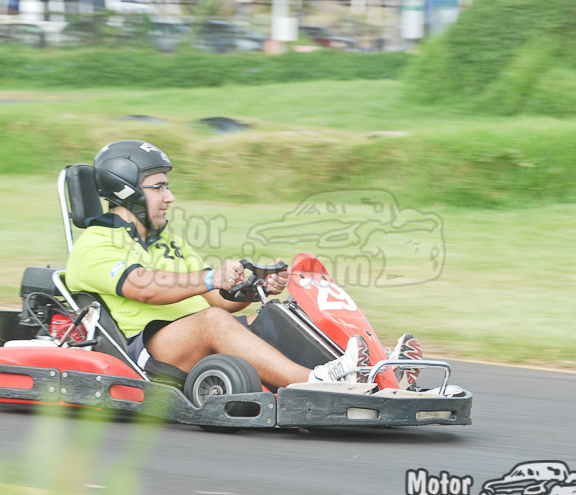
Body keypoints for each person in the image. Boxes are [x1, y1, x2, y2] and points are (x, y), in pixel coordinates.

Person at [66, 140, 421, 388]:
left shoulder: (168, 242)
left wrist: (258, 288)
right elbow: (143, 287)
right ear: (126, 190)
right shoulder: (95, 244)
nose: (170, 197)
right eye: (158, 188)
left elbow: (219, 301)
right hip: (145, 353)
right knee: (213, 322)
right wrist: (210, 277)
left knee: (276, 315)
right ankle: (316, 382)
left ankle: (381, 375)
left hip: (197, 332)